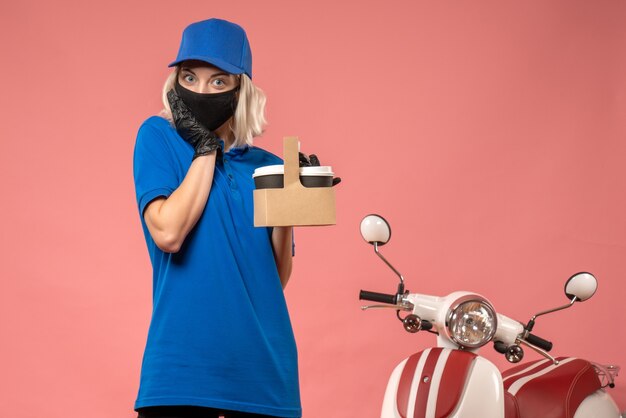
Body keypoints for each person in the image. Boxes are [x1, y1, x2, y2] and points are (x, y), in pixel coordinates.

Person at [132, 18, 301, 418]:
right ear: (175, 83)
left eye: (218, 81)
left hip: (265, 378)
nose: (201, 90)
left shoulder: (266, 166)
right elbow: (168, 233)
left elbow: (274, 278)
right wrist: (206, 149)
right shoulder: (157, 138)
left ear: (241, 89)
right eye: (190, 78)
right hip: (182, 376)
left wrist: (291, 202)